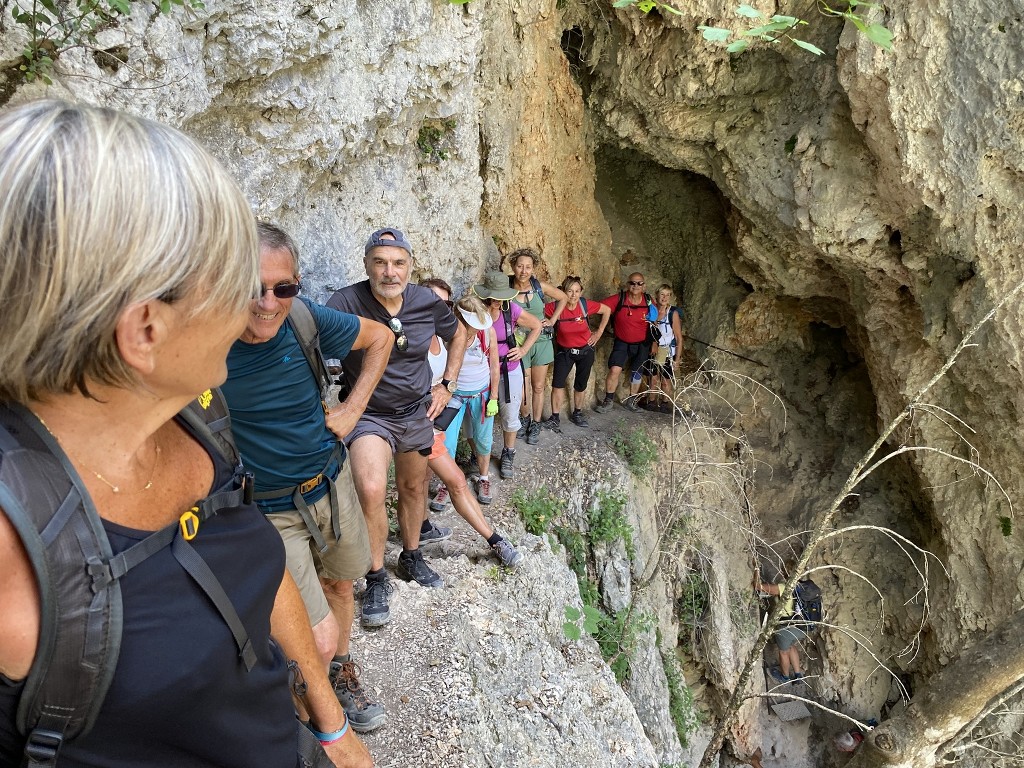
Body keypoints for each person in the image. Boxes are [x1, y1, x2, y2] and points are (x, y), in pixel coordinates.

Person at [0, 100, 370, 767]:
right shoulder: (14, 544)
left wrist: (331, 724)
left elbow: (257, 569)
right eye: (233, 281)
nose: (257, 307)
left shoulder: (196, 418)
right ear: (146, 331)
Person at [222, 222, 392, 734]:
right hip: (269, 508)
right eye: (253, 287)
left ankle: (340, 671)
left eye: (283, 288)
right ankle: (321, 727)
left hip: (330, 484)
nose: (268, 303)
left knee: (343, 584)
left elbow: (381, 337)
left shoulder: (303, 319)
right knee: (308, 638)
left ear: (297, 285)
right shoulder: (205, 341)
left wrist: (352, 408)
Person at [326, 229, 467, 629]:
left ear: (410, 266)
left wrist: (448, 384)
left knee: (412, 487)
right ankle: (375, 577)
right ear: (367, 264)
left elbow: (459, 335)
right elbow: (313, 348)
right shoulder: (345, 302)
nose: (390, 272)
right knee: (371, 488)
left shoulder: (426, 301)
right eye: (381, 262)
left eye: (398, 263)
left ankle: (411, 554)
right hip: (368, 412)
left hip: (414, 412)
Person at [420, 280, 522, 569]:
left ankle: (494, 538)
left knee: (460, 469)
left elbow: (488, 367)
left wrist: (491, 395)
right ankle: (419, 531)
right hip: (421, 419)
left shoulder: (448, 339)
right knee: (418, 481)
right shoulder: (432, 336)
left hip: (438, 415)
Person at [419, 284, 500, 509]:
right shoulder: (448, 335)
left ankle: (484, 478)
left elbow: (495, 365)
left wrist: (493, 397)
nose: (475, 329)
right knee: (448, 443)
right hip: (453, 396)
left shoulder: (487, 332)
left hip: (481, 394)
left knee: (484, 440)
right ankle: (448, 484)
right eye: (472, 325)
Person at [473, 271, 542, 481]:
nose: (496, 300)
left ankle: (508, 452)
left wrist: (522, 351)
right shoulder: (476, 310)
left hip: (508, 368)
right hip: (483, 369)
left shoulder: (510, 309)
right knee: (478, 413)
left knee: (510, 413)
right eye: (493, 296)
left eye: (500, 296)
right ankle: (478, 454)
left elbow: (537, 325)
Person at [504, 249, 567, 445]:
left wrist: (553, 319)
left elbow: (563, 297)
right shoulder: (506, 288)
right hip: (518, 344)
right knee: (522, 386)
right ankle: (524, 419)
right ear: (513, 266)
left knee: (538, 386)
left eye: (528, 267)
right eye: (520, 266)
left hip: (541, 342)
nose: (524, 271)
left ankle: (536, 423)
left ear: (533, 268)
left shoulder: (539, 286)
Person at [542, 276, 611, 430]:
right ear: (562, 292)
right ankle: (555, 418)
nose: (573, 295)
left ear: (581, 292)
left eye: (577, 291)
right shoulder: (555, 308)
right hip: (564, 351)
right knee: (557, 384)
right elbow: (536, 311)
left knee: (580, 384)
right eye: (569, 291)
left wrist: (598, 333)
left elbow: (607, 310)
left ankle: (577, 413)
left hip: (585, 351)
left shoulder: (584, 305)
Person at [594, 272, 654, 413]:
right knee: (615, 370)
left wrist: (655, 342)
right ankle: (608, 400)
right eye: (632, 283)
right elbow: (599, 307)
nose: (636, 286)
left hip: (643, 343)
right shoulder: (619, 299)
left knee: (637, 372)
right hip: (622, 342)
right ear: (628, 285)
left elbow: (654, 319)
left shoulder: (648, 300)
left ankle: (632, 401)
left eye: (639, 283)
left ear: (644, 286)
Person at [755, 558, 808, 683]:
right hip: (802, 626)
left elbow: (758, 586)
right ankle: (798, 675)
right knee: (791, 645)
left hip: (787, 627)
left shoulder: (784, 587)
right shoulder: (803, 586)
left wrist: (756, 569)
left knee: (784, 652)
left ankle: (784, 677)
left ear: (785, 572)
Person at [643, 284, 684, 413]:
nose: (664, 297)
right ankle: (652, 401)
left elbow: (679, 337)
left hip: (666, 349)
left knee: (665, 378)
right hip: (654, 348)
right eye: (662, 294)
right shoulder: (652, 310)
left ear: (670, 297)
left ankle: (665, 403)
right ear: (657, 295)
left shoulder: (672, 313)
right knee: (653, 376)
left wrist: (677, 358)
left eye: (667, 295)